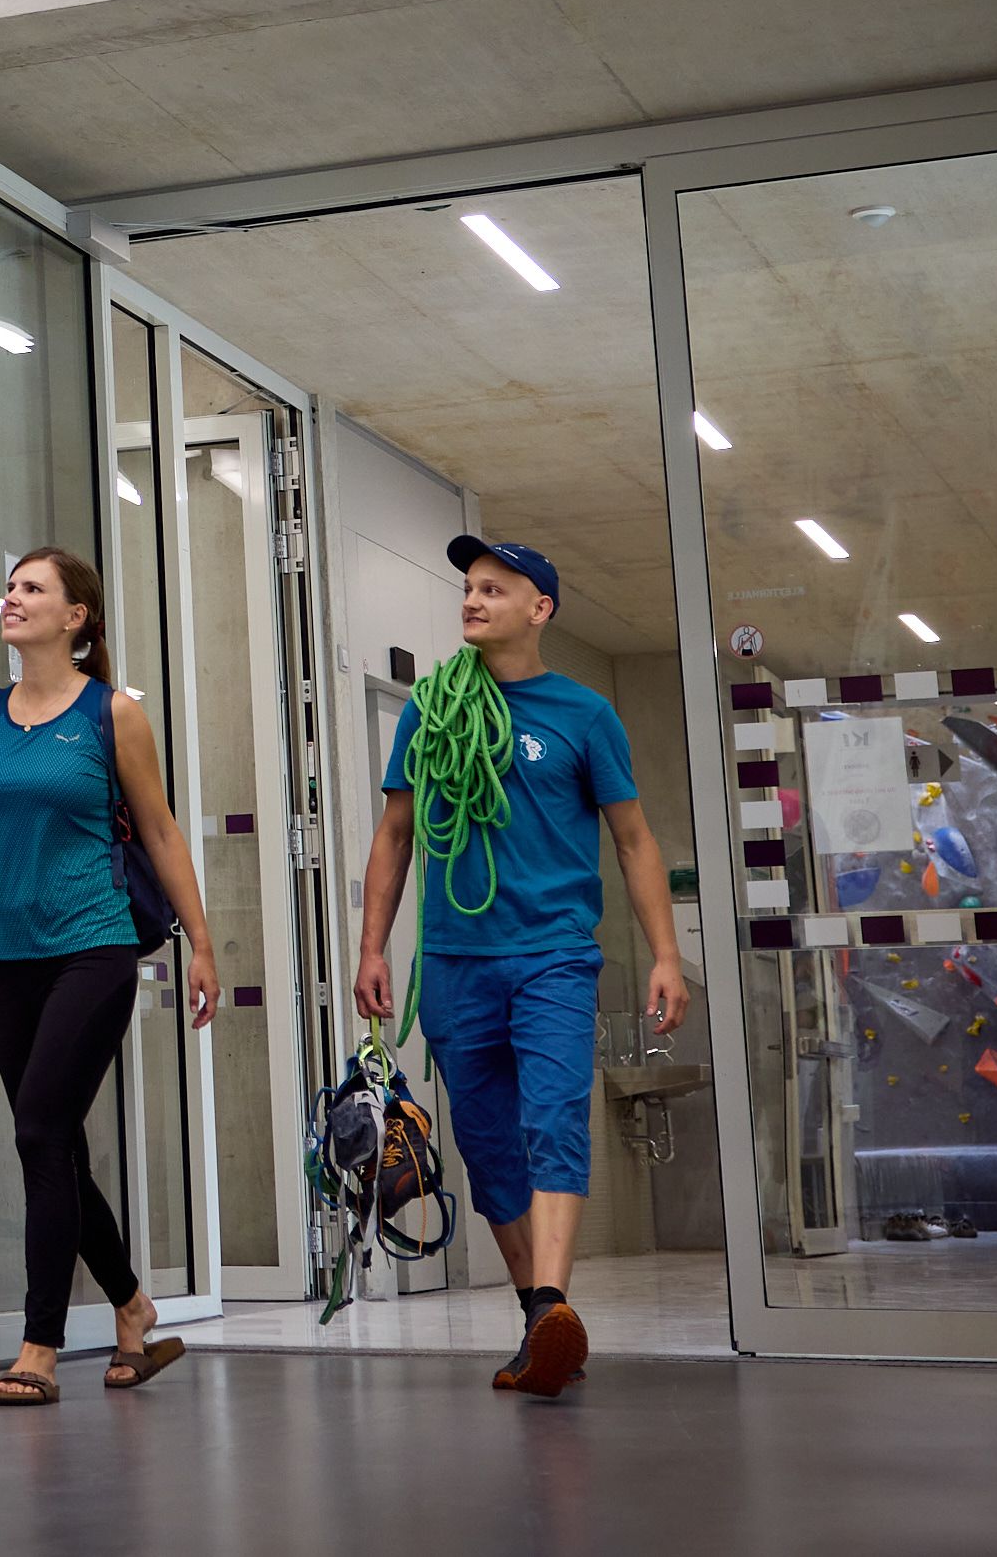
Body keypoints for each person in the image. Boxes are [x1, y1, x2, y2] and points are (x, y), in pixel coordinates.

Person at [350, 537, 686, 1400]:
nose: (473, 599)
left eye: (494, 590)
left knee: (553, 1119)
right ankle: (543, 1322)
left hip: (554, 955)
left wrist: (666, 954)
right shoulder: (430, 710)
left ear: (540, 609)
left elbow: (634, 840)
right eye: (468, 587)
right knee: (488, 1144)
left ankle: (549, 1304)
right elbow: (395, 834)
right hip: (455, 960)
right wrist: (371, 946)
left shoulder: (585, 714)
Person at [0, 547, 220, 1408]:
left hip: (94, 948)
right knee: (52, 1144)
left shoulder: (111, 713)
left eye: (32, 588)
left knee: (39, 1131)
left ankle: (40, 1346)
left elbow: (160, 833)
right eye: (11, 587)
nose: (12, 598)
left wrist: (201, 945)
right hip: (8, 957)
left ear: (75, 617)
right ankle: (131, 1306)